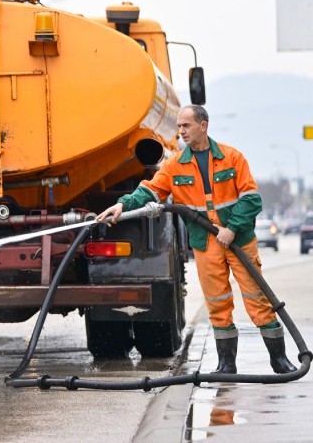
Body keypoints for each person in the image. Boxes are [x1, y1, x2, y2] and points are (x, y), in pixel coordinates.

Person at [96, 104, 296, 374]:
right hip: (205, 242)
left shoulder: (231, 157)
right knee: (217, 302)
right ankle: (226, 365)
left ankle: (279, 361)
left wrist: (232, 228)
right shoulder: (175, 164)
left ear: (203, 126)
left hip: (238, 240)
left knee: (257, 298)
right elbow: (151, 191)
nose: (181, 131)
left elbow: (251, 199)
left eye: (186, 126)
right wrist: (123, 205)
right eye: (179, 126)